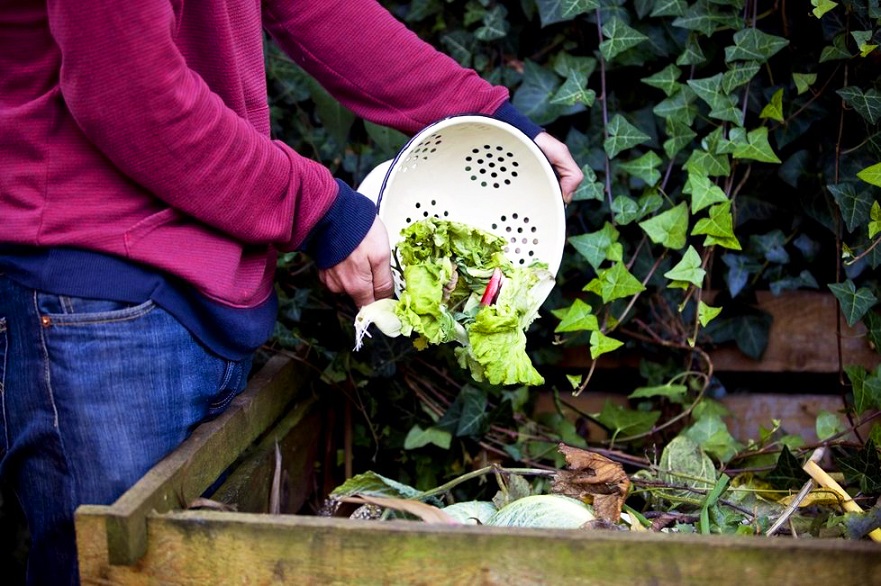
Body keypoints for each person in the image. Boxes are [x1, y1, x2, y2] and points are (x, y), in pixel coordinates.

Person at [0, 1, 583, 583]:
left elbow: (315, 7)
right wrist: (321, 211)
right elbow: (131, 95)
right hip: (99, 298)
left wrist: (497, 123)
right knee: (111, 572)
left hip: (197, 291)